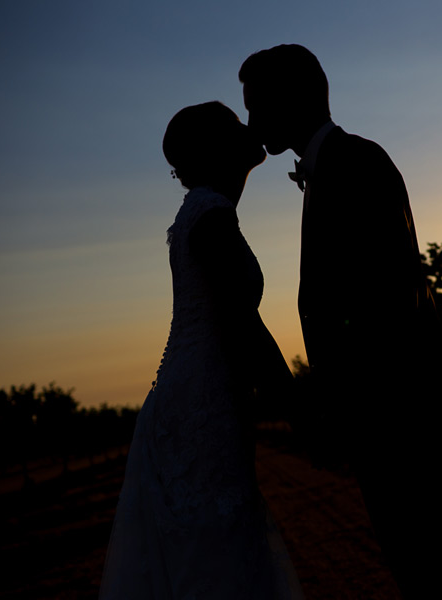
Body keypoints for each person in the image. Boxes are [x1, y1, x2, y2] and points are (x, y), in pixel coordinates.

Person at [239, 44, 442, 599]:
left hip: (403, 407)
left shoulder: (357, 162)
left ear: (293, 98)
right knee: (425, 567)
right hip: (391, 406)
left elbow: (388, 296)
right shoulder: (334, 167)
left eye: (257, 106)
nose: (251, 121)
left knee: (437, 567)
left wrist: (353, 402)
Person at [99, 102, 304, 600]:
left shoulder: (204, 211)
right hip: (201, 407)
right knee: (215, 548)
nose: (249, 127)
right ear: (218, 149)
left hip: (201, 394)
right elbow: (241, 323)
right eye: (237, 124)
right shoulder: (210, 215)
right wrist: (300, 410)